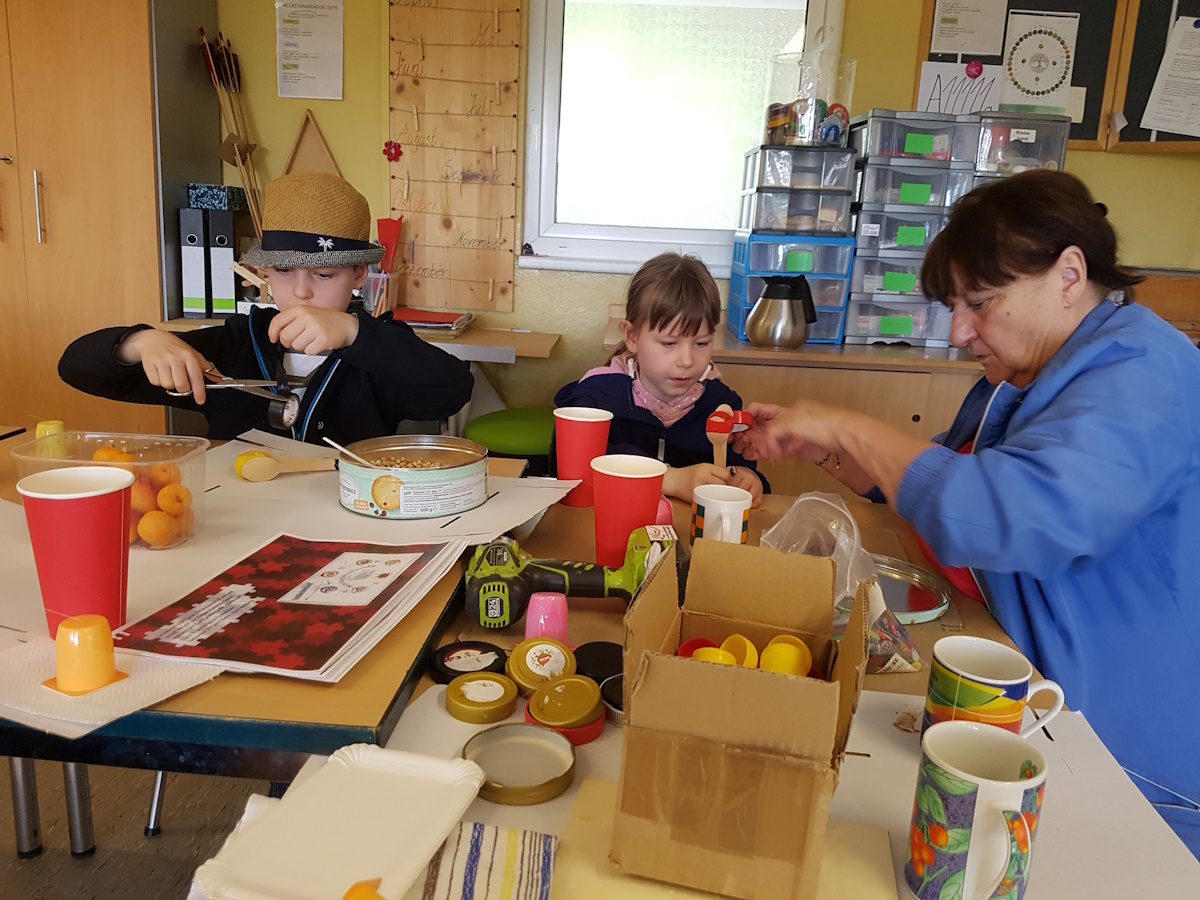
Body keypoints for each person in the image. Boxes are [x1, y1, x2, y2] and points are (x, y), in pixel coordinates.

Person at [735, 170, 1200, 858]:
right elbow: (961, 473)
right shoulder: (1038, 370)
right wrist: (849, 459)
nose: (959, 331)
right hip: (1024, 679)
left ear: (1070, 271)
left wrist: (852, 427)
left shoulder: (1147, 371)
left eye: (979, 303)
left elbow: (1013, 512)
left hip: (1125, 759)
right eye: (955, 305)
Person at [58, 172, 473, 444]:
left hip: (346, 525)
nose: (302, 292)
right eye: (284, 271)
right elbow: (76, 368)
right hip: (237, 527)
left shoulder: (380, 350)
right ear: (264, 271)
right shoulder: (236, 345)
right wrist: (141, 342)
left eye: (325, 275)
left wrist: (352, 333)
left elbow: (453, 390)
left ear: (359, 274)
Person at [553, 252, 767, 505]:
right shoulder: (596, 397)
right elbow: (573, 472)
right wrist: (670, 479)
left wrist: (747, 478)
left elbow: (738, 467)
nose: (686, 360)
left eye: (701, 343)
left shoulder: (721, 405)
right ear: (632, 336)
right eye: (669, 343)